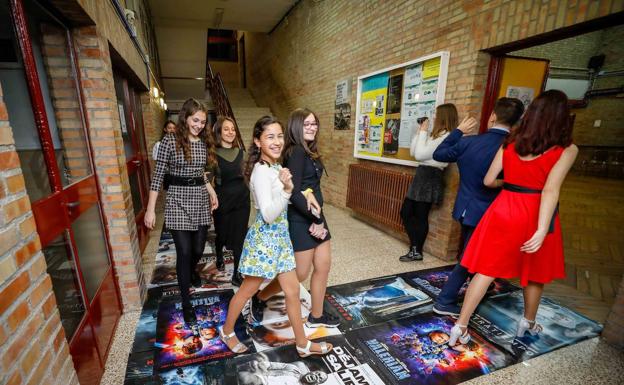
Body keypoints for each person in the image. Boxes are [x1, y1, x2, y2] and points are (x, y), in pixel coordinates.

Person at [448, 90, 578, 346]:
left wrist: (513, 183)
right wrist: (541, 230)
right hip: (536, 212)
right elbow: (551, 190)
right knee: (534, 273)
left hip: (503, 208)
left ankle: (460, 327)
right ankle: (526, 323)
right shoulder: (566, 150)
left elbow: (488, 180)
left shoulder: (510, 143)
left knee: (485, 270)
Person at [218, 116, 333, 358]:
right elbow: (269, 214)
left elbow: (297, 190)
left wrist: (306, 193)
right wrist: (288, 191)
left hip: (281, 240)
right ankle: (227, 331)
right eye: (270, 137)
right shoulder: (261, 171)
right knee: (247, 291)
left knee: (292, 292)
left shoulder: (275, 168)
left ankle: (302, 344)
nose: (277, 141)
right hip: (264, 240)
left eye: (280, 136)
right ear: (258, 142)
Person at [431, 97, 524, 316]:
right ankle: (444, 301)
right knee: (468, 257)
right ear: (517, 122)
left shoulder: (468, 142)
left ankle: (479, 283)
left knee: (470, 253)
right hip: (490, 212)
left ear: (492, 116)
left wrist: (458, 131)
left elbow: (439, 154)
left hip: (465, 207)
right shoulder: (513, 148)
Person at [250, 108, 340, 328]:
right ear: (296, 127)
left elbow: (307, 188)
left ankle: (316, 315)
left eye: (314, 123)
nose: (312, 127)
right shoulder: (297, 152)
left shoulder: (308, 150)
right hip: (302, 218)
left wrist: (318, 215)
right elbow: (295, 193)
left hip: (316, 215)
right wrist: (315, 220)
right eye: (306, 124)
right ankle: (259, 297)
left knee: (323, 266)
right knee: (299, 274)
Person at [144, 98, 219, 325]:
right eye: (195, 120)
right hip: (177, 198)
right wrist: (150, 210)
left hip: (199, 198)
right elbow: (158, 177)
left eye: (203, 122)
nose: (199, 125)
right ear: (185, 117)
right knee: (184, 252)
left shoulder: (204, 141)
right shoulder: (170, 140)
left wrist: (210, 190)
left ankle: (192, 271)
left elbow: (201, 171)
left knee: (197, 248)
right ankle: (187, 305)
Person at [399, 104, 455, 262]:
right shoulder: (436, 135)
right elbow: (413, 152)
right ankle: (415, 248)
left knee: (420, 216)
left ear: (444, 116)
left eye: (437, 114)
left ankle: (416, 250)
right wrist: (420, 132)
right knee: (406, 212)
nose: (434, 117)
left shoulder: (448, 136)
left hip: (431, 176)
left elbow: (420, 154)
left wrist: (424, 131)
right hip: (422, 174)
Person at [212, 116, 250, 286]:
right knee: (222, 235)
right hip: (223, 201)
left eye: (233, 129)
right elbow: (208, 180)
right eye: (226, 129)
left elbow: (250, 176)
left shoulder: (243, 153)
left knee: (239, 238)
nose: (230, 132)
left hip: (242, 201)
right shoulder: (212, 155)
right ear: (219, 132)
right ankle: (219, 254)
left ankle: (236, 273)